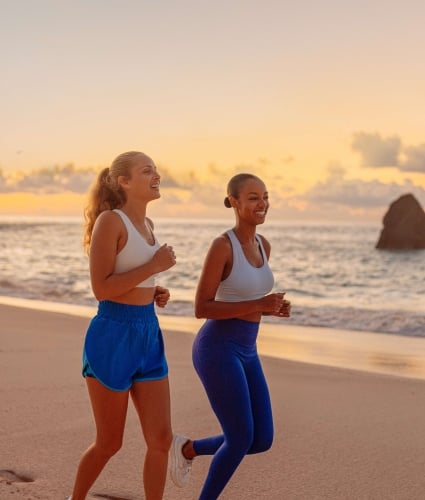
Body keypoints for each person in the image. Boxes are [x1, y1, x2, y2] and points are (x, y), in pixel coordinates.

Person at [169, 173, 291, 499]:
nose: (262, 203)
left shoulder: (263, 245)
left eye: (265, 196)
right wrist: (259, 303)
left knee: (261, 438)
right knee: (239, 438)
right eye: (253, 197)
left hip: (248, 350)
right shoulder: (222, 246)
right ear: (234, 202)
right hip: (217, 349)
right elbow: (201, 307)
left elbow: (246, 301)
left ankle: (187, 450)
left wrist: (269, 309)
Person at [68, 151, 176, 500]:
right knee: (109, 442)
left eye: (156, 169)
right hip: (113, 336)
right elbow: (102, 289)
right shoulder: (110, 222)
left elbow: (128, 278)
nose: (156, 175)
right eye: (147, 171)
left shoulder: (149, 226)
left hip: (148, 333)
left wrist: (152, 290)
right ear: (124, 182)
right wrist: (154, 266)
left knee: (161, 440)